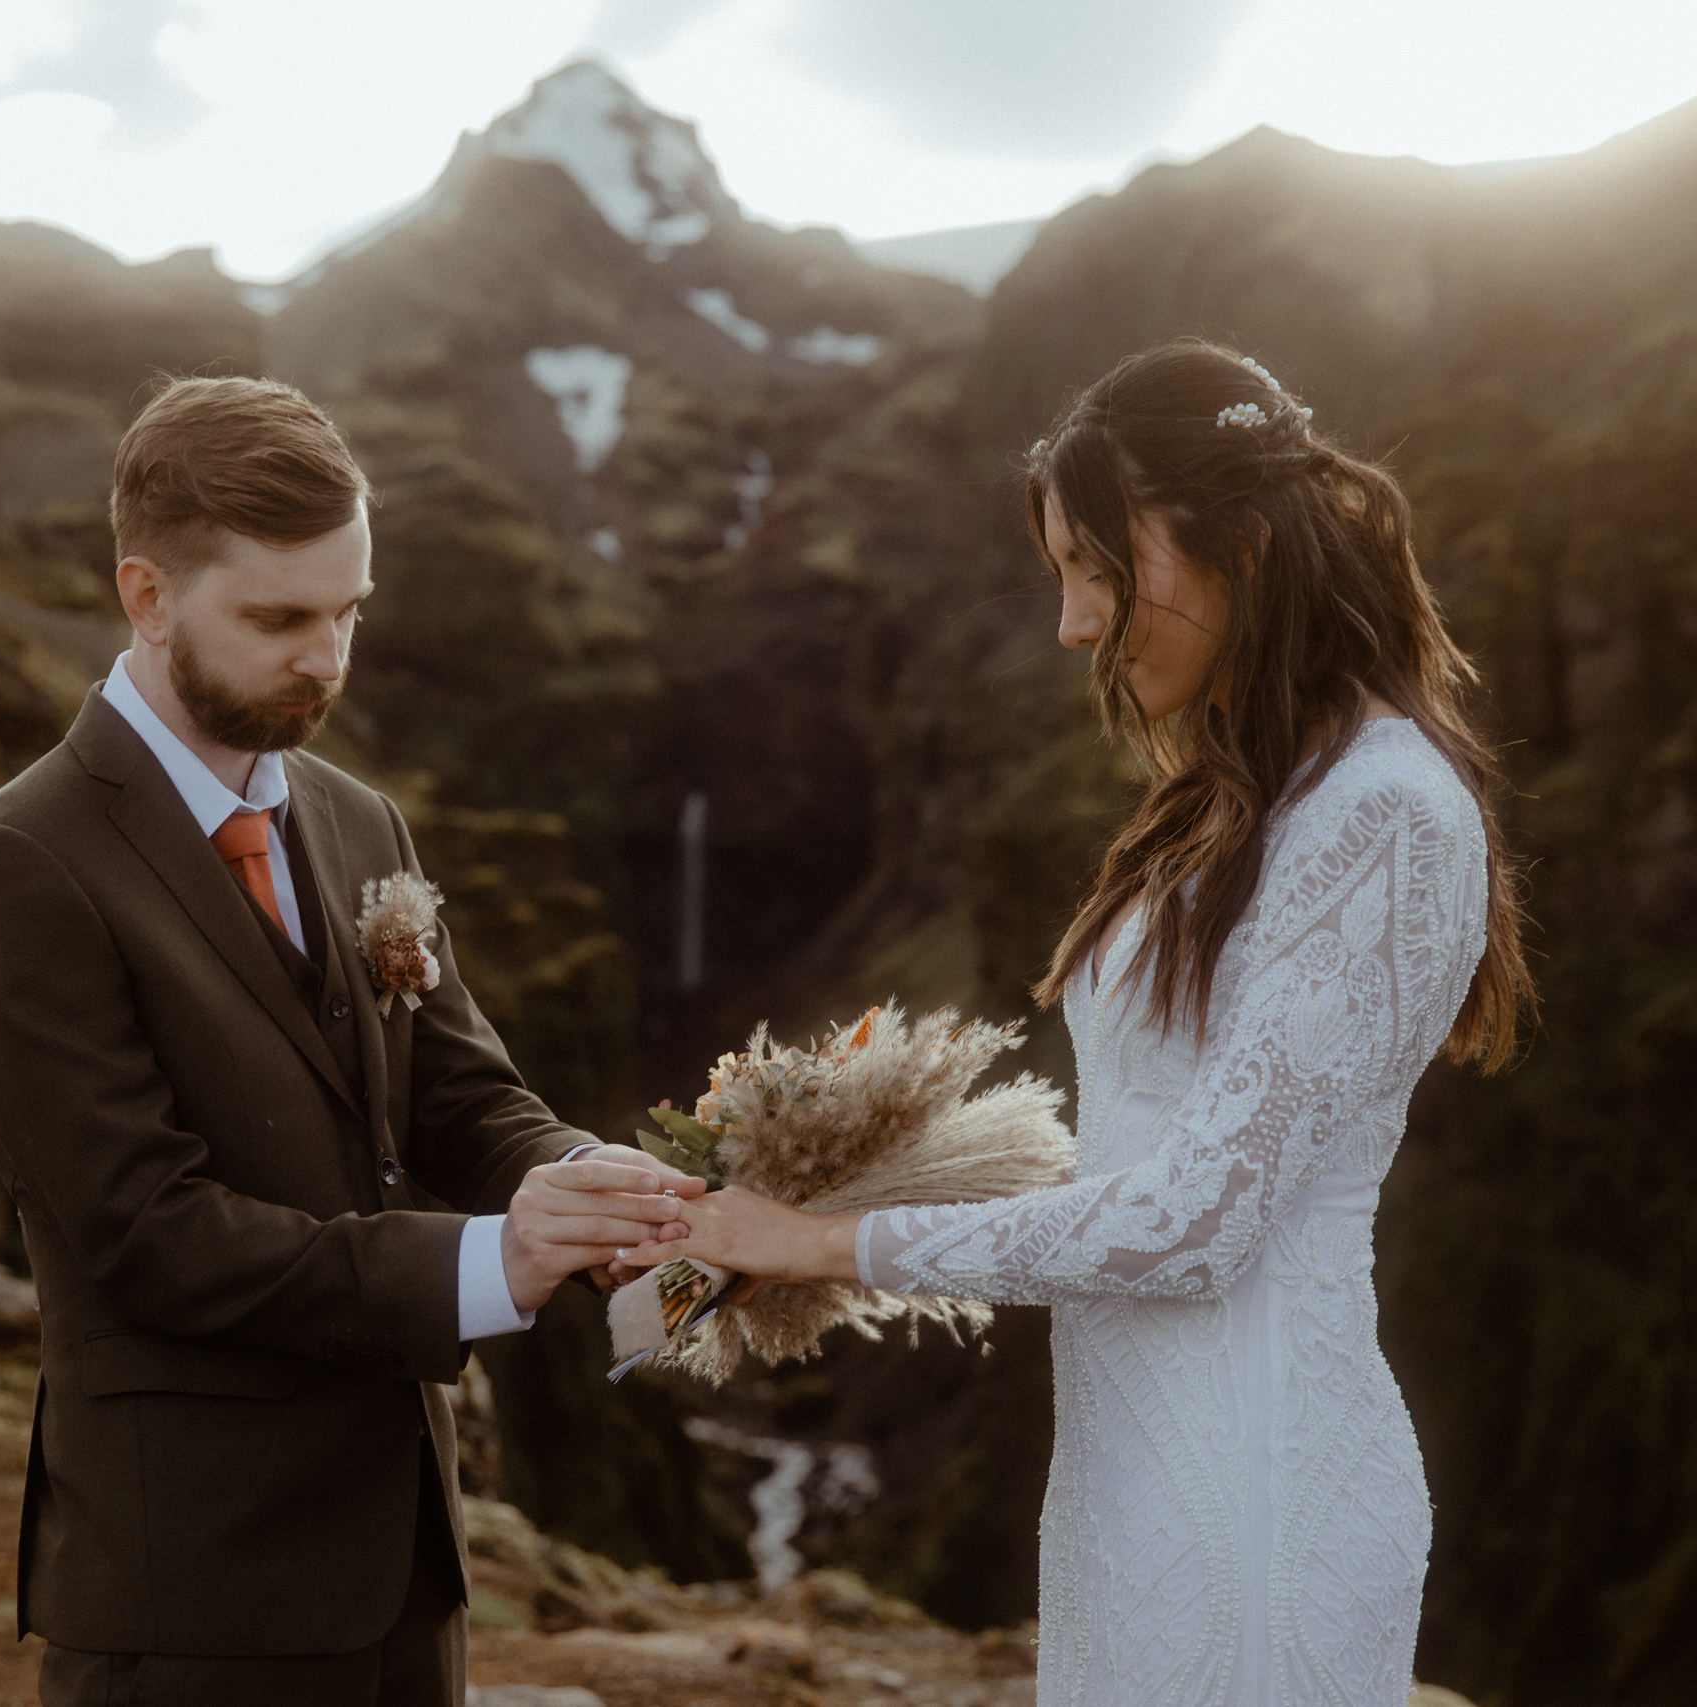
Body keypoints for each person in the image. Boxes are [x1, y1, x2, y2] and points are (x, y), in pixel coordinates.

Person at [636, 341, 1534, 1707]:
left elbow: (1195, 1217)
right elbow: (1146, 1147)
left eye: (1100, 571)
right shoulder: (1247, 797)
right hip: (1136, 1463)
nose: (1072, 623)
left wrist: (834, 1240)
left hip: (1256, 1485)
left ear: (1239, 540)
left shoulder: (1383, 814)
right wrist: (844, 1183)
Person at [0, 375, 705, 1707]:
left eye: (348, 613)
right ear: (148, 594)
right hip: (192, 1600)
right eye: (279, 619)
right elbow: (148, 1234)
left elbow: (464, 1096)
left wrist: (590, 1181)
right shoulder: (17, 866)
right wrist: (488, 1265)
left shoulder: (359, 824)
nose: (326, 660)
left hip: (408, 1567)